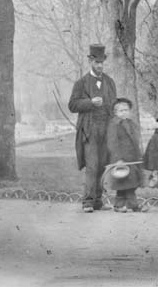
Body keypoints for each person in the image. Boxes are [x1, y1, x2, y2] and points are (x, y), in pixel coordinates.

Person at [68, 44, 117, 213]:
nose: (100, 65)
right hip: (89, 131)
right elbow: (72, 105)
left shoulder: (110, 82)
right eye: (97, 62)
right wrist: (90, 103)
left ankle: (98, 200)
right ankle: (87, 201)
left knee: (103, 165)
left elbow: (114, 106)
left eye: (102, 62)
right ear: (90, 61)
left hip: (106, 130)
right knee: (92, 165)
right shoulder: (81, 83)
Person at [102, 98, 144, 213]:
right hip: (121, 159)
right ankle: (131, 205)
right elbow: (112, 143)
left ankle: (123, 205)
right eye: (121, 111)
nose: (124, 112)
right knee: (124, 182)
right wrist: (117, 159)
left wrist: (139, 154)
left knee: (130, 183)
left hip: (132, 158)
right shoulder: (114, 125)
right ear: (115, 112)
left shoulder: (131, 124)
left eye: (126, 110)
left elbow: (135, 141)